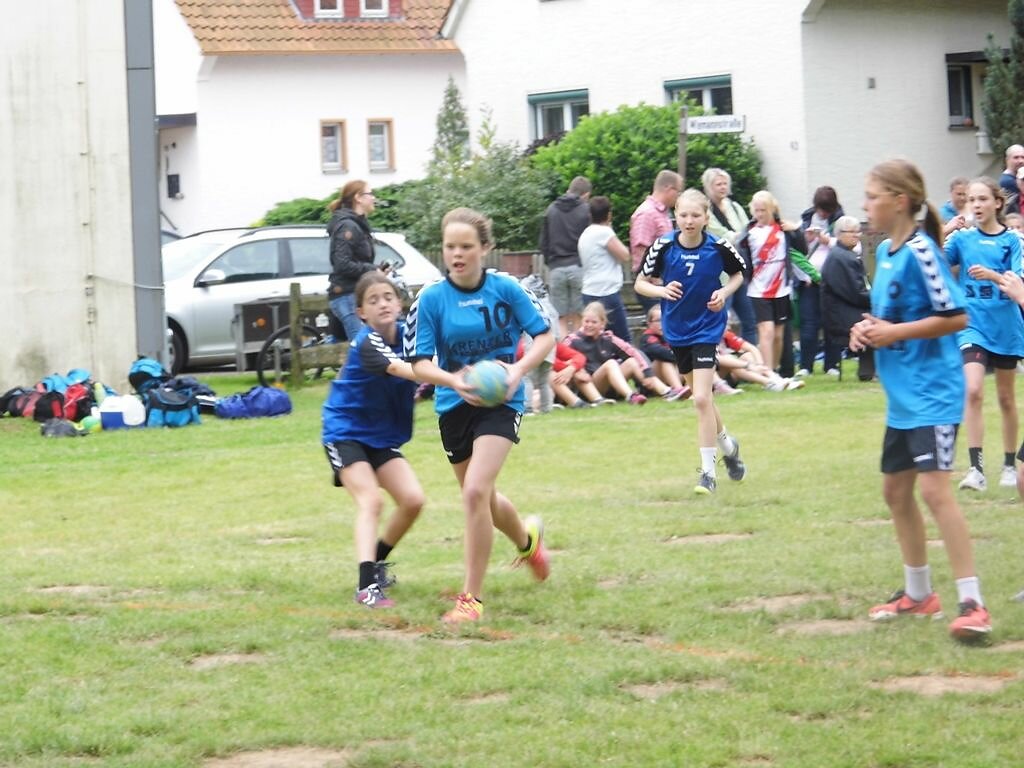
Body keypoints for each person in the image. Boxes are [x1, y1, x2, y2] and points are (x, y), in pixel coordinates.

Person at [850, 157, 990, 641]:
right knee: (895, 492)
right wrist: (868, 329)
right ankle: (918, 594)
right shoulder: (885, 253)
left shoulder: (922, 250)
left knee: (934, 491)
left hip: (933, 394)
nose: (865, 204)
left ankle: (972, 603)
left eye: (872, 196)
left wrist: (894, 332)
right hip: (904, 399)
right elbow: (891, 318)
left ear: (900, 201)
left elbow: (955, 316)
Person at [405, 207, 554, 624]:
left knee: (473, 492)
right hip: (454, 406)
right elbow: (418, 363)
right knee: (483, 497)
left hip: (502, 402)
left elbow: (544, 336)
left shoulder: (506, 288)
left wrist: (517, 371)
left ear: (485, 249)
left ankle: (470, 600)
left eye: (466, 247)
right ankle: (528, 542)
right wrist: (455, 381)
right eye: (450, 246)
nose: (457, 254)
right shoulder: (432, 298)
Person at [635, 188, 748, 495]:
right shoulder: (664, 246)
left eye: (695, 215)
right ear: (676, 217)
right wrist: (661, 292)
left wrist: (723, 294)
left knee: (700, 398)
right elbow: (640, 284)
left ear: (706, 218)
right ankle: (728, 445)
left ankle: (707, 475)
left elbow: (739, 274)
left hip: (708, 329)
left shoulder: (718, 247)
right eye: (683, 215)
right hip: (676, 330)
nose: (688, 220)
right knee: (704, 400)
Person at [322, 272, 424, 609]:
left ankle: (376, 563)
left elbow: (426, 364)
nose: (383, 303)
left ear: (399, 303)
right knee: (371, 500)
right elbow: (402, 370)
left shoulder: (411, 335)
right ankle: (366, 588)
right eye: (373, 300)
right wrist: (449, 377)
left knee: (412, 500)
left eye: (388, 297)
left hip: (380, 435)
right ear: (361, 313)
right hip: (345, 431)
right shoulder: (367, 342)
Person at [944, 177, 1024, 493]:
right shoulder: (962, 239)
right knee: (973, 389)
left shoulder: (1013, 241)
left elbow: (1016, 284)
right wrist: (947, 229)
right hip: (972, 325)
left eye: (982, 199)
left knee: (1005, 397)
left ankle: (1008, 464)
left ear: (997, 203)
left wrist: (991, 275)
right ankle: (975, 470)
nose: (976, 205)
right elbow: (930, 259)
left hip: (1006, 327)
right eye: (971, 200)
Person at [736, 191, 812, 372]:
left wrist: (796, 231)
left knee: (778, 335)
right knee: (767, 331)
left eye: (763, 210)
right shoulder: (749, 232)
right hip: (758, 289)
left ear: (771, 209)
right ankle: (768, 374)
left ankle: (774, 369)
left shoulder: (783, 229)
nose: (759, 214)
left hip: (781, 288)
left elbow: (803, 250)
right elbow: (741, 256)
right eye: (756, 210)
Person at [565, 302, 687, 404]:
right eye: (586, 321)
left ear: (602, 323)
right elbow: (559, 357)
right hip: (589, 385)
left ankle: (666, 391)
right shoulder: (573, 340)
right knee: (611, 364)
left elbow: (634, 353)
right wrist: (574, 371)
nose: (589, 325)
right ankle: (631, 395)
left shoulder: (608, 338)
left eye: (593, 322)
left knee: (632, 361)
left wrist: (648, 373)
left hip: (612, 384)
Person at [703, 167, 757, 344]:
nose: (722, 187)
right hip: (719, 273)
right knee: (720, 319)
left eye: (725, 183)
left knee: (750, 320)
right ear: (709, 186)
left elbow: (747, 228)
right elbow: (718, 234)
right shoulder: (706, 210)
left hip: (740, 269)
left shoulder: (734, 206)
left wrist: (739, 235)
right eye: (718, 184)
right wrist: (737, 235)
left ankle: (751, 358)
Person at [797, 186, 845, 377]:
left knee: (831, 323)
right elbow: (797, 251)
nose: (823, 214)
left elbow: (849, 247)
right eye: (820, 209)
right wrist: (806, 239)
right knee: (809, 323)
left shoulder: (841, 220)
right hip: (808, 280)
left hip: (832, 279)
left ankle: (831, 364)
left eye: (826, 210)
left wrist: (829, 241)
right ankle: (805, 366)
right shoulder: (806, 218)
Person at [820, 215, 874, 382]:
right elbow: (855, 294)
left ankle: (870, 369)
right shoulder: (842, 258)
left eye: (858, 231)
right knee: (877, 319)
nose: (857, 235)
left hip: (842, 310)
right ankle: (868, 371)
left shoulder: (843, 255)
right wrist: (876, 300)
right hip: (840, 315)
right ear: (839, 234)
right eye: (852, 232)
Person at [327, 180, 381, 341]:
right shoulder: (347, 226)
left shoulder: (358, 225)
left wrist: (376, 271)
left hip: (354, 295)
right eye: (370, 194)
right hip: (346, 296)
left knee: (363, 347)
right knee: (363, 347)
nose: (373, 198)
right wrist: (371, 269)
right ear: (358, 197)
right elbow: (342, 264)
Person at [540, 176, 591, 336]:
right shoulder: (585, 209)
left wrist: (551, 263)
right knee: (579, 316)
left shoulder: (551, 209)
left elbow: (543, 242)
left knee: (560, 318)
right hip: (578, 267)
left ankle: (564, 354)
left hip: (556, 268)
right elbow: (590, 241)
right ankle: (579, 354)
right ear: (585, 194)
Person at [578, 196, 632, 341]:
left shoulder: (586, 233)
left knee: (595, 339)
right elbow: (625, 255)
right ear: (609, 214)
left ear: (590, 214)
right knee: (622, 339)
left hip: (589, 290)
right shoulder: (604, 233)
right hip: (606, 292)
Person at [630, 170, 682, 312]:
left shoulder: (662, 213)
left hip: (663, 282)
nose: (678, 196)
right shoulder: (647, 213)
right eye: (678, 191)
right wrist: (655, 279)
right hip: (653, 284)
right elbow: (641, 249)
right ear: (668, 188)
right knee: (660, 326)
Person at [716, 328, 804, 392]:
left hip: (728, 375)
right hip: (712, 378)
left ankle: (776, 379)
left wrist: (759, 365)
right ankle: (769, 383)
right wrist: (749, 366)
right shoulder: (704, 335)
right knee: (731, 361)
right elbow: (716, 358)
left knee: (748, 355)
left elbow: (752, 348)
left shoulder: (725, 334)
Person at [636, 305, 695, 397]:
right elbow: (663, 353)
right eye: (659, 320)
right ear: (649, 323)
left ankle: (693, 389)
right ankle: (678, 389)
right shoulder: (647, 338)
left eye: (666, 319)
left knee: (695, 359)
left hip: (673, 373)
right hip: (653, 381)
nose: (663, 323)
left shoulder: (674, 335)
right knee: (664, 360)